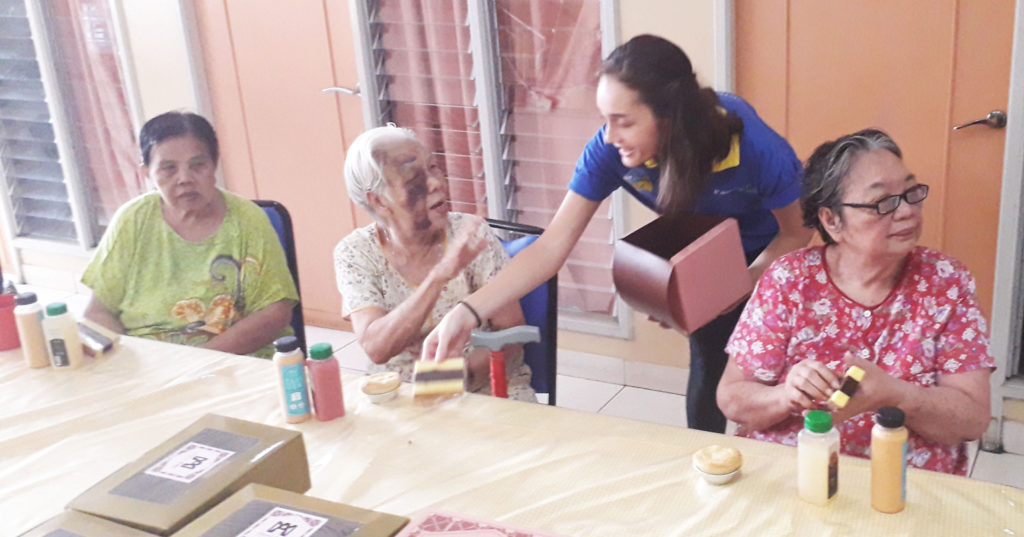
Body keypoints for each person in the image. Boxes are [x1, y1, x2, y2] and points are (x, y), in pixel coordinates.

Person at [422, 34, 811, 431]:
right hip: (706, 249)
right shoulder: (607, 152)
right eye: (605, 119)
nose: (609, 136)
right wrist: (467, 312)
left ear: (671, 115)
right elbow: (552, 246)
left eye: (623, 121)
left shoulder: (753, 146)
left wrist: (738, 285)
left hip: (771, 257)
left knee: (766, 378)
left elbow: (797, 234)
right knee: (710, 365)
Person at [717, 129, 993, 475]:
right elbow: (732, 398)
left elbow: (972, 420)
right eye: (883, 202)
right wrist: (785, 395)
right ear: (832, 220)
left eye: (910, 192)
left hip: (902, 482)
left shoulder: (946, 283)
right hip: (795, 472)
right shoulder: (790, 279)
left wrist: (896, 395)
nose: (907, 211)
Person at [333, 126, 535, 402]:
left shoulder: (471, 234)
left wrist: (441, 380)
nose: (436, 183)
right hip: (399, 395)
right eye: (414, 178)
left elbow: (511, 335)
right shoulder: (355, 253)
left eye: (434, 167)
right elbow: (376, 347)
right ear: (379, 201)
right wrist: (439, 276)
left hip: (486, 388)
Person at [82, 111, 298, 358]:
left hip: (233, 361)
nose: (185, 179)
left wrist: (194, 363)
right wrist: (126, 361)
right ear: (147, 173)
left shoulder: (247, 221)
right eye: (168, 168)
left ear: (215, 164)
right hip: (149, 366)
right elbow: (98, 312)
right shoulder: (132, 220)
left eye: (198, 165)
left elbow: (274, 313)